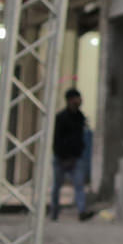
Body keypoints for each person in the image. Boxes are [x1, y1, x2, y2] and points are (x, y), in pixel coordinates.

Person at [49, 89, 90, 221]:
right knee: (57, 186)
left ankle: (82, 211)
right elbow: (57, 140)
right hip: (61, 158)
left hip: (76, 158)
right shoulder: (61, 118)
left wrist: (76, 154)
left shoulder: (80, 117)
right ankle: (54, 212)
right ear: (70, 100)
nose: (79, 101)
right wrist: (62, 157)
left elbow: (79, 139)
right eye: (77, 98)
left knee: (79, 186)